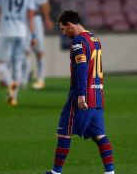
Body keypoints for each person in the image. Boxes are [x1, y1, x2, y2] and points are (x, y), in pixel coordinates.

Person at [45, 10, 115, 174]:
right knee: (99, 135)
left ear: (69, 24)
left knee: (64, 132)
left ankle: (56, 172)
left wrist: (81, 95)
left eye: (63, 29)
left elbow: (82, 68)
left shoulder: (78, 41)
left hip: (82, 97)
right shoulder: (94, 38)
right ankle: (110, 172)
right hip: (97, 96)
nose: (63, 32)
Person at [0, 0, 37, 106]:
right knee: (17, 63)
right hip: (21, 32)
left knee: (1, 64)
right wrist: (33, 36)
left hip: (5, 31)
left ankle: (10, 84)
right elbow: (31, 16)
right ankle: (13, 97)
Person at [21, 0, 54, 89]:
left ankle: (40, 79)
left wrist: (47, 19)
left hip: (35, 19)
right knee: (25, 50)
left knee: (39, 50)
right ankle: (25, 77)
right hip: (22, 20)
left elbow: (45, 4)